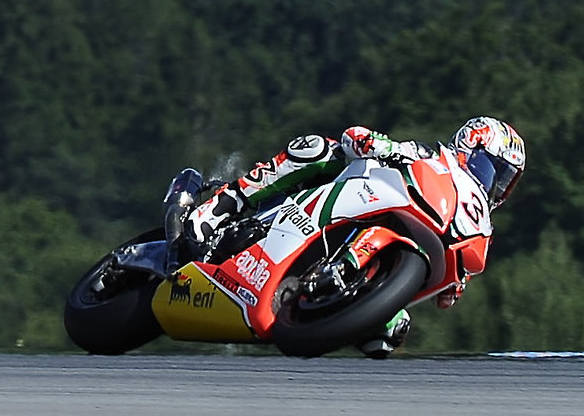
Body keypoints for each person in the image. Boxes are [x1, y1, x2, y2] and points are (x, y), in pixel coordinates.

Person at [185, 116, 526, 358]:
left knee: (390, 336)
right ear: (472, 147)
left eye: (506, 180)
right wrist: (373, 143)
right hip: (347, 203)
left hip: (386, 262)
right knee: (316, 149)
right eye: (496, 170)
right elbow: (357, 136)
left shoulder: (476, 220)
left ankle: (331, 307)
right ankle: (221, 206)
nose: (498, 184)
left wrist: (455, 282)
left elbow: (446, 297)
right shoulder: (428, 156)